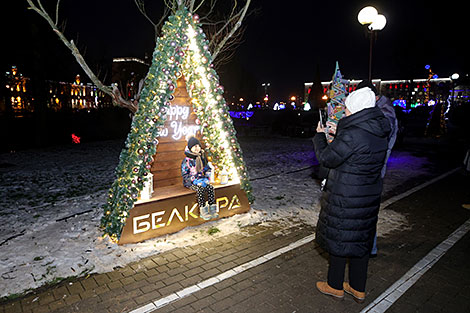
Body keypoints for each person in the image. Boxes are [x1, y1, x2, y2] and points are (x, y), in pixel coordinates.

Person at [313, 87, 391, 303]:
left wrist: (320, 137)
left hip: (346, 195)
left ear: (356, 110)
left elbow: (328, 158)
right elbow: (358, 152)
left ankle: (334, 285)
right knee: (360, 240)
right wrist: (340, 133)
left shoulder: (353, 133)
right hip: (368, 195)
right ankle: (358, 288)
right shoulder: (378, 128)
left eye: (347, 109)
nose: (345, 112)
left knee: (341, 236)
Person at [357, 80, 399, 256]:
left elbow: (380, 130)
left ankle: (369, 248)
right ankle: (368, 247)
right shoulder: (378, 108)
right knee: (363, 209)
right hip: (369, 167)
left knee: (366, 209)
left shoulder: (384, 111)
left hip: (373, 169)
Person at [181, 136, 218, 220]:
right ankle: (203, 211)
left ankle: (212, 209)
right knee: (200, 189)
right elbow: (185, 174)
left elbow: (207, 169)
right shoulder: (187, 160)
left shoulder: (202, 157)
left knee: (210, 188)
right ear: (190, 148)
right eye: (194, 146)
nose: (197, 148)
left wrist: (207, 178)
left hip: (202, 179)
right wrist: (194, 180)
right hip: (190, 182)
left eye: (198, 146)